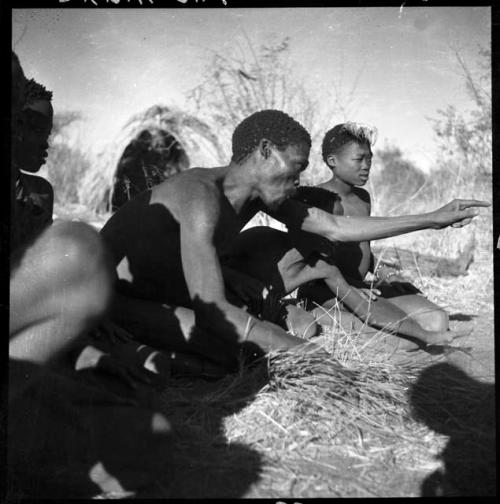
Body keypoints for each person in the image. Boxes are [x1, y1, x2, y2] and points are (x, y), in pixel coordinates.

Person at [100, 110, 487, 370]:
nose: (299, 180)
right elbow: (214, 308)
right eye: (297, 167)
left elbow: (333, 228)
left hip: (167, 293)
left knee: (266, 341)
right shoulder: (202, 196)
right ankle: (123, 352)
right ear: (266, 152)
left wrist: (432, 219)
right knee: (235, 350)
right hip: (113, 300)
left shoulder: (259, 195)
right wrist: (310, 356)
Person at [9, 53, 172, 497]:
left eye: (46, 129)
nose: (44, 142)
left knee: (149, 424)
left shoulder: (36, 193)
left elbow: (39, 303)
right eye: (32, 126)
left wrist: (88, 353)